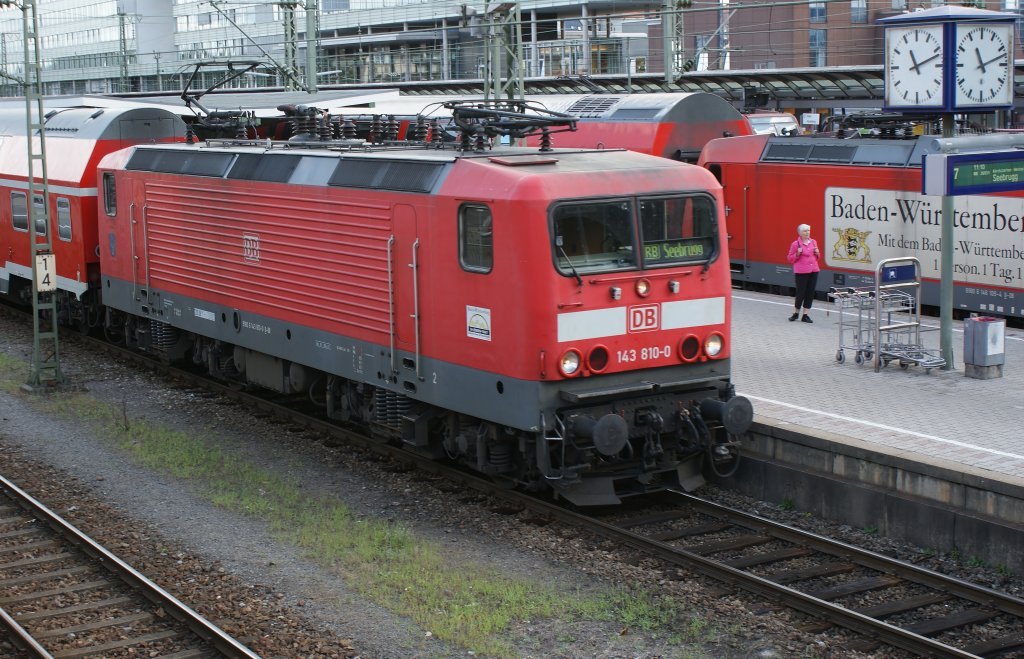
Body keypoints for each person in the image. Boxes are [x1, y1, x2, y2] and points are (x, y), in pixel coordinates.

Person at [786, 224, 820, 323]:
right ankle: (796, 313)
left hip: (814, 270)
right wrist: (797, 254)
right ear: (800, 233)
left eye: (808, 230)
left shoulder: (813, 242)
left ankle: (805, 315)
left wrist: (818, 253)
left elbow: (817, 257)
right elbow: (790, 258)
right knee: (800, 293)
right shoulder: (795, 244)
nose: (807, 233)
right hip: (801, 272)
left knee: (810, 293)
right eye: (805, 231)